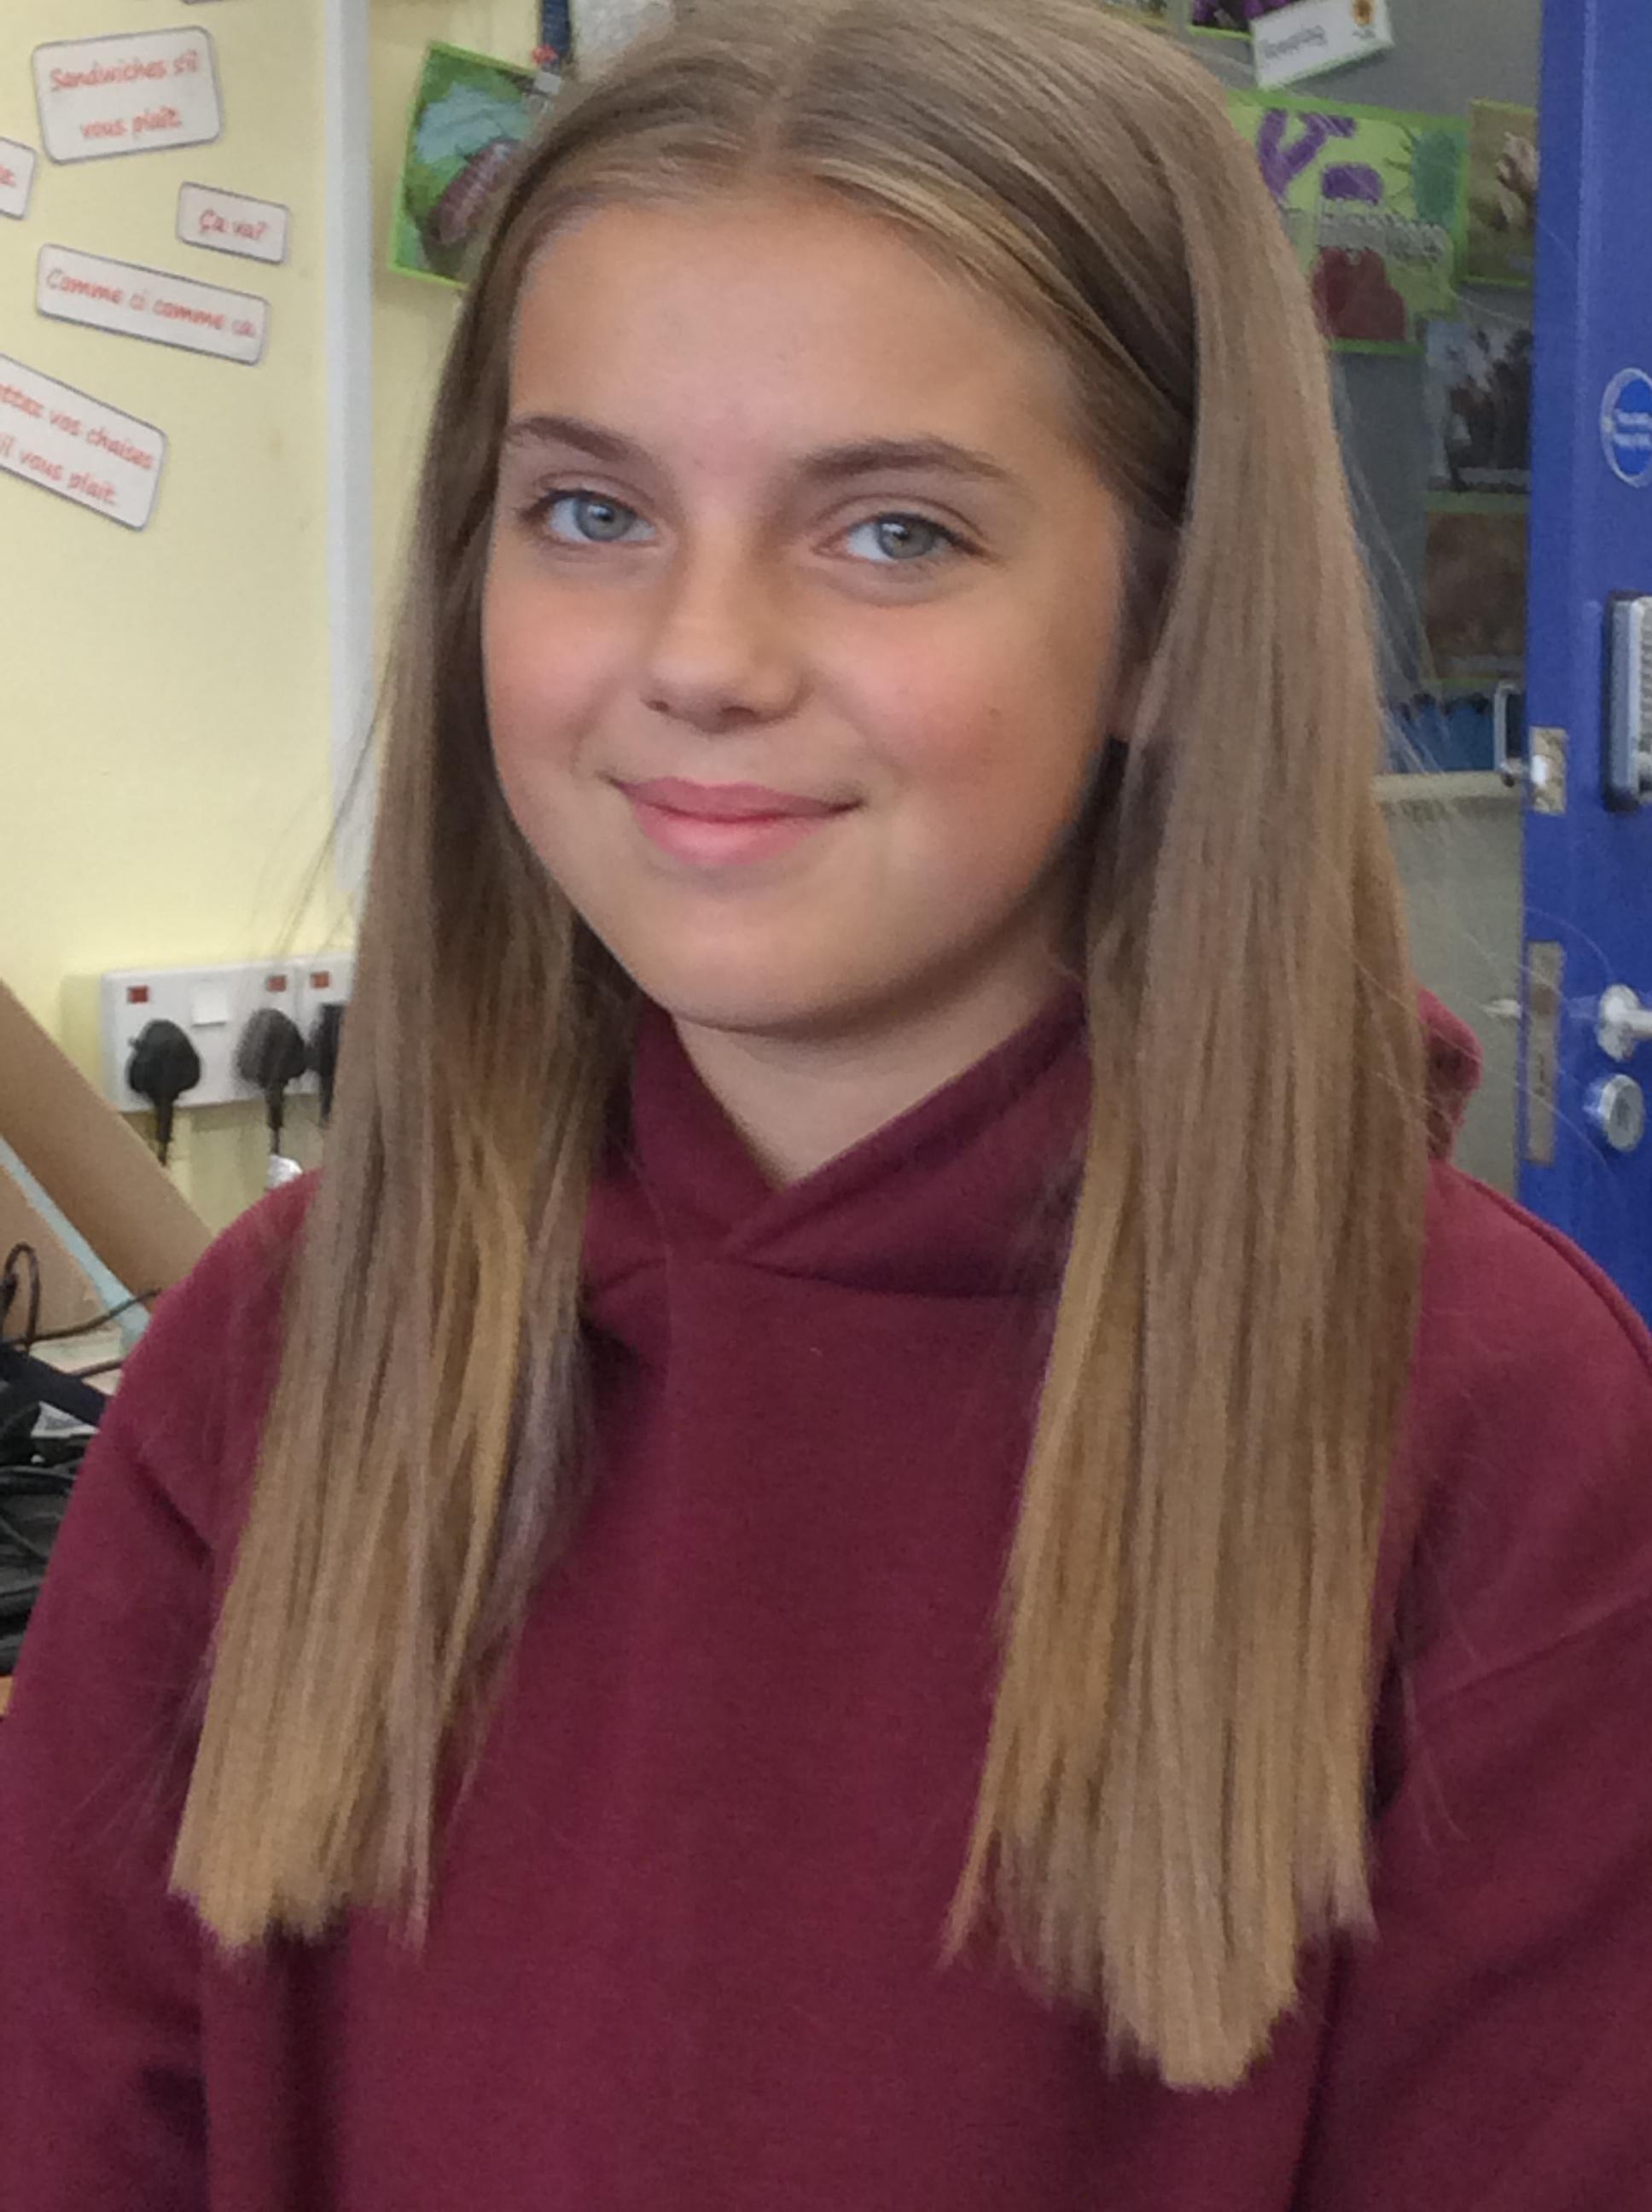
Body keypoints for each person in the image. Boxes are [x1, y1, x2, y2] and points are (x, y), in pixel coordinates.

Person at [3, 3, 1649, 2204]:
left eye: (893, 533)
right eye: (592, 509)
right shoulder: (289, 1352)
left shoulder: (1491, 1421)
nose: (703, 655)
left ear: (1167, 621)